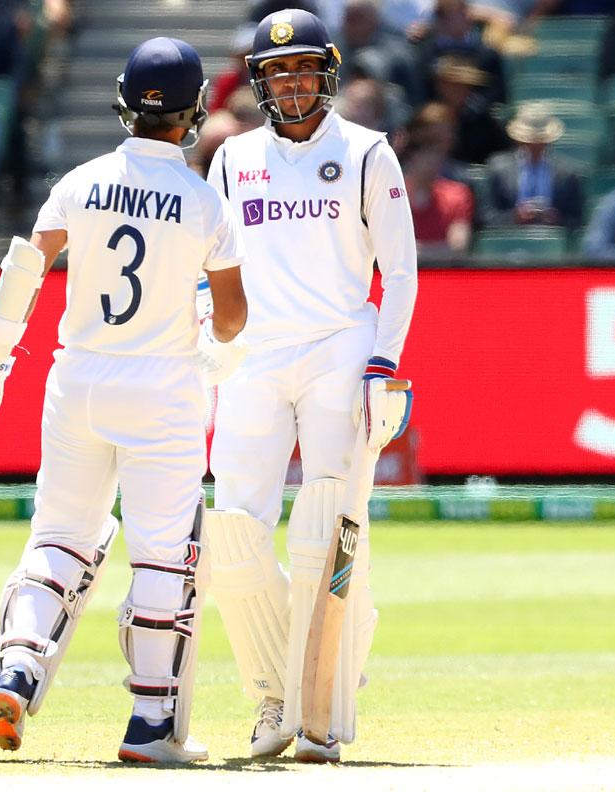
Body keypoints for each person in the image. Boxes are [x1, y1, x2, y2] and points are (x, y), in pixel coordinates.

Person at [0, 36, 248, 764]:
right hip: (164, 389)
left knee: (61, 538)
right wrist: (214, 337)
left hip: (77, 380)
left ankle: (16, 672)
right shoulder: (205, 202)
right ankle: (150, 726)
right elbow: (235, 317)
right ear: (195, 111)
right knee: (163, 556)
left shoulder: (79, 182)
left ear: (122, 102)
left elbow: (28, 262)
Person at [205, 8, 416, 764]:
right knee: (229, 529)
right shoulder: (231, 157)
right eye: (276, 72)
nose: (291, 85)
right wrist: (211, 339)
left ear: (327, 73)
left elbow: (400, 270)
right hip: (257, 355)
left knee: (330, 525)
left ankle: (325, 701)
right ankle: (274, 693)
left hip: (339, 348)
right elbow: (217, 264)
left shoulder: (367, 154)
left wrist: (383, 366)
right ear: (258, 82)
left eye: (303, 70)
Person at [483, 102, 585, 229]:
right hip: (510, 240)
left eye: (540, 140)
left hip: (552, 241)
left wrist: (557, 219)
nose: (535, 145)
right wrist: (514, 217)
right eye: (530, 140)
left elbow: (577, 220)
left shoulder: (567, 172)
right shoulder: (498, 168)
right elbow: (487, 217)